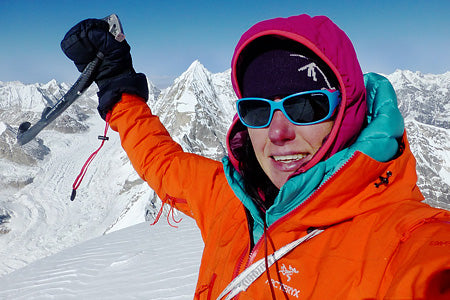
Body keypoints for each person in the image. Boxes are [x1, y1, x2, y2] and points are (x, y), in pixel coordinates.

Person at [61, 14, 450, 299]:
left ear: (347, 110)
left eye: (306, 107)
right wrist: (119, 88)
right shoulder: (229, 199)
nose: (278, 133)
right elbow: (161, 161)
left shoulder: (405, 243)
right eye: (257, 110)